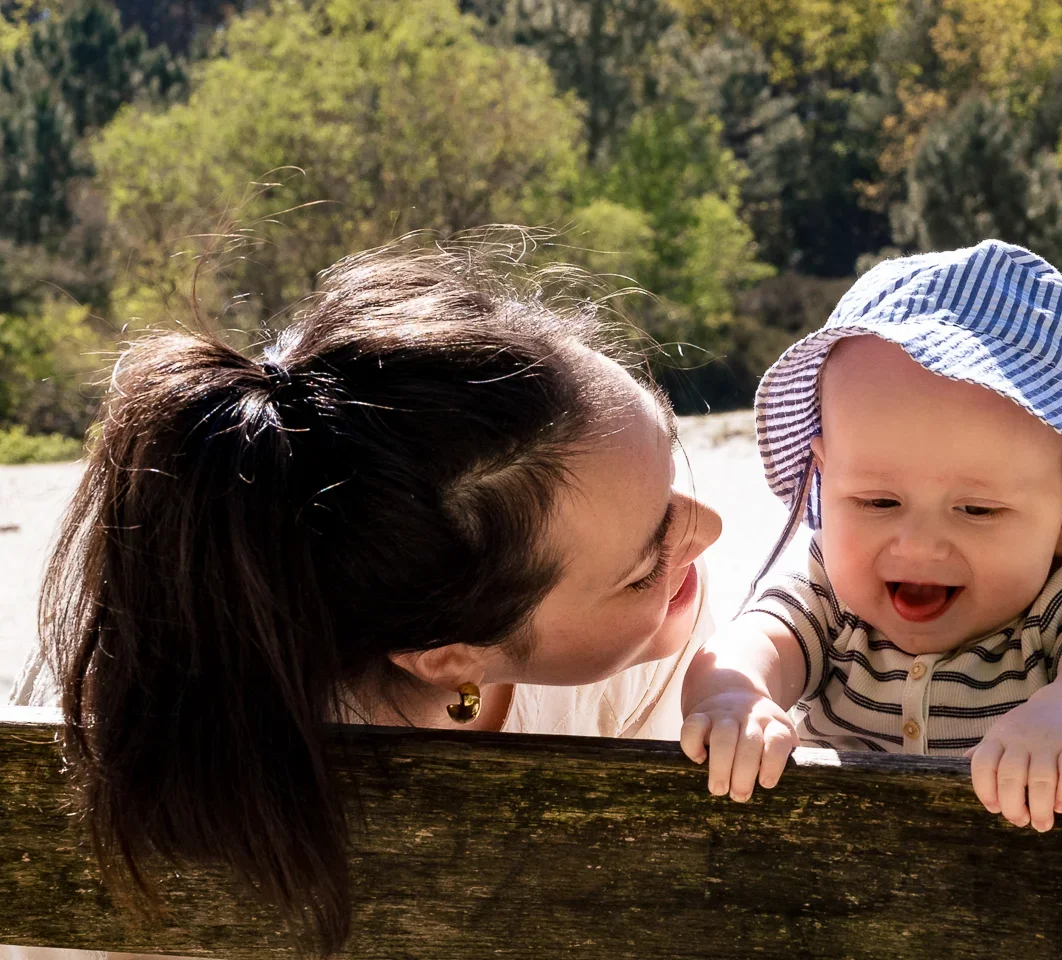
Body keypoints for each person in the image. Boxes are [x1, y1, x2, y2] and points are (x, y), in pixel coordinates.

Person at [6, 241, 721, 955]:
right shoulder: (143, 745)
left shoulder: (665, 651)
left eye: (667, 484)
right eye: (640, 568)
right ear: (450, 659)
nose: (707, 530)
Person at [680, 240, 1062, 832]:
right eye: (878, 501)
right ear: (824, 476)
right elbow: (752, 642)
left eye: (976, 509)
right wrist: (733, 698)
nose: (918, 545)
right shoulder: (829, 587)